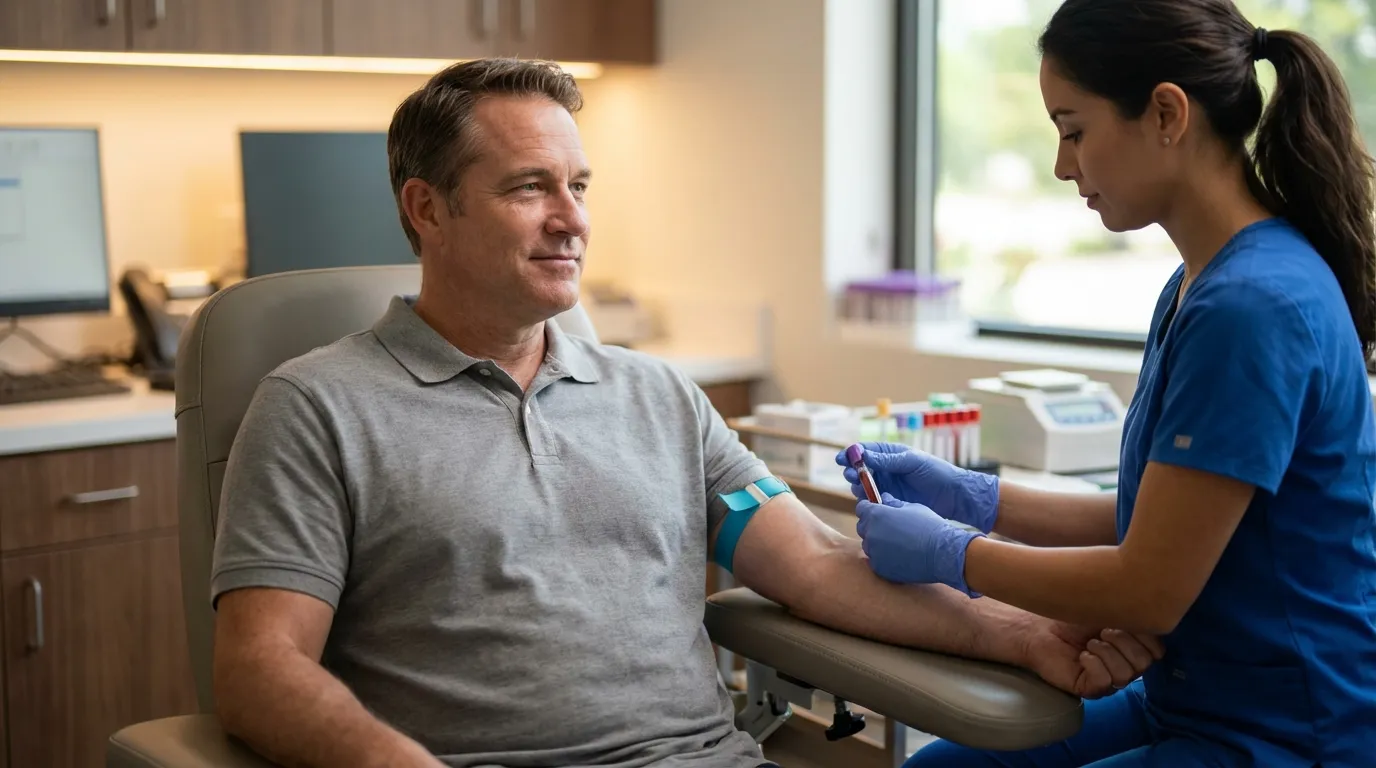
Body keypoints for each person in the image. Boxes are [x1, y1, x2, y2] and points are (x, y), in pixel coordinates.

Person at [209, 58, 1153, 768]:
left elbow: (818, 567)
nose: (571, 218)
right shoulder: (317, 408)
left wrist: (1021, 632)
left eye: (578, 187)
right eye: (529, 186)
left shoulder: (656, 398)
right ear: (428, 209)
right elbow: (259, 669)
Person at [840, 1, 1376, 766]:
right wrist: (973, 497)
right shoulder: (1195, 285)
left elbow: (1148, 589)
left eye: (1074, 129)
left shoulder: (1253, 307)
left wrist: (952, 553)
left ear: (1165, 113)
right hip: (1193, 700)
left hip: (1290, 731)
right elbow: (1156, 518)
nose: (1064, 166)